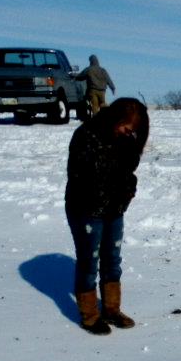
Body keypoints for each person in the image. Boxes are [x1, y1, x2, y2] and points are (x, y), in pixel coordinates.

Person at [65, 98, 149, 334]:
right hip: (86, 209)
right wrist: (116, 186)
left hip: (113, 208)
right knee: (89, 262)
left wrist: (127, 191)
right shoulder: (87, 135)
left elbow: (126, 172)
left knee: (112, 260)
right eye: (126, 128)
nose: (128, 133)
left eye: (132, 131)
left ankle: (112, 309)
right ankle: (89, 316)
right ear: (116, 118)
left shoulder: (125, 141)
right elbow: (89, 177)